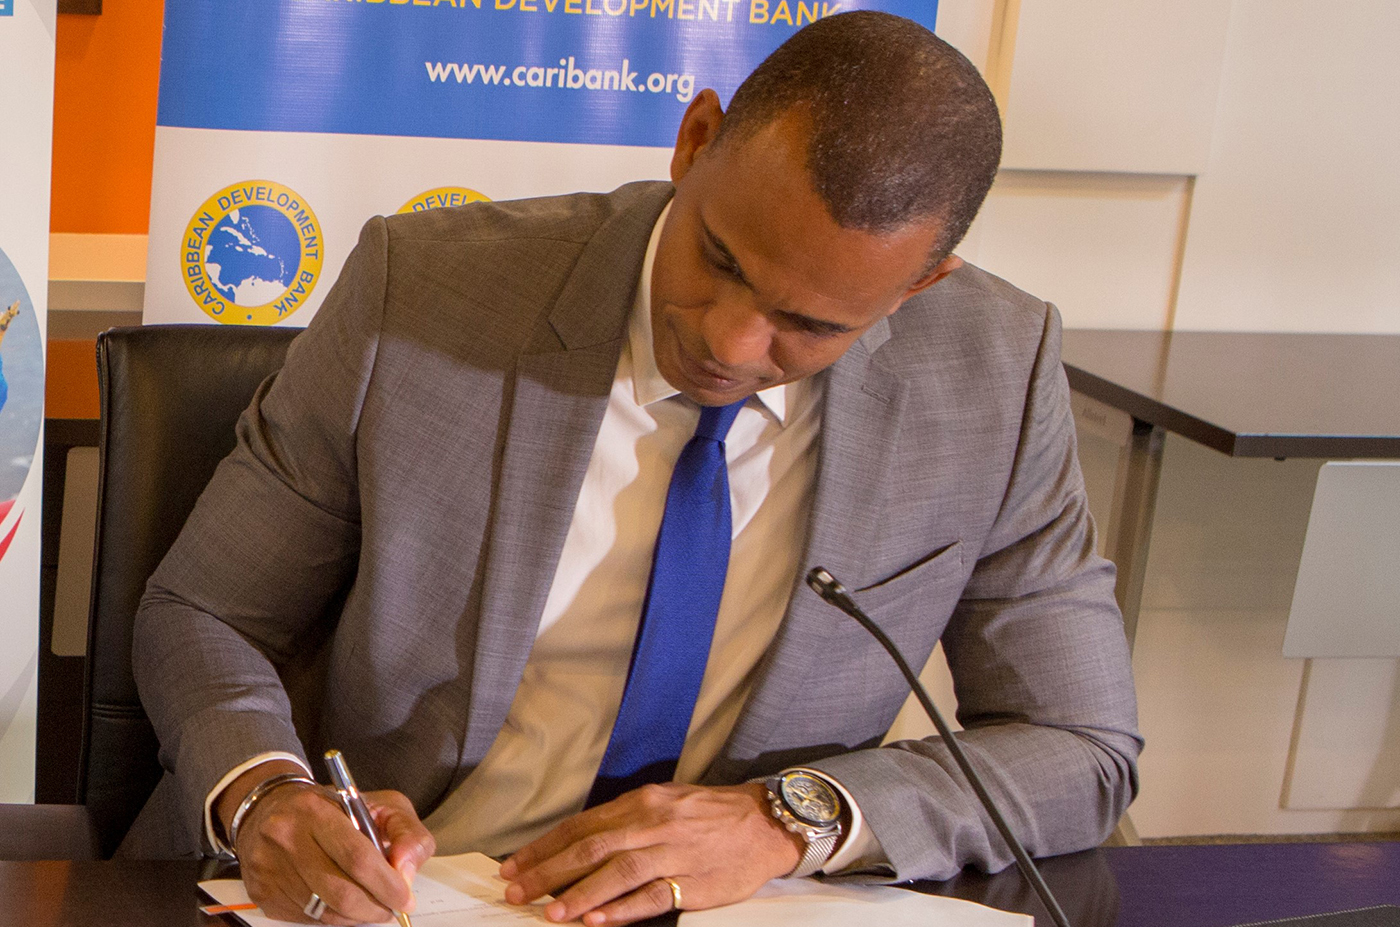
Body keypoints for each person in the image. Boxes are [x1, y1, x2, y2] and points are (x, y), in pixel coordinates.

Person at [129, 11, 1141, 927]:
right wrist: (267, 795)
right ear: (693, 140)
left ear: (917, 286)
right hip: (408, 897)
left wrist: (791, 819)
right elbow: (204, 610)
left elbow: (1079, 743)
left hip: (735, 909)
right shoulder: (423, 294)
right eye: (723, 261)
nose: (732, 345)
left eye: (808, 324)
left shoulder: (991, 372)